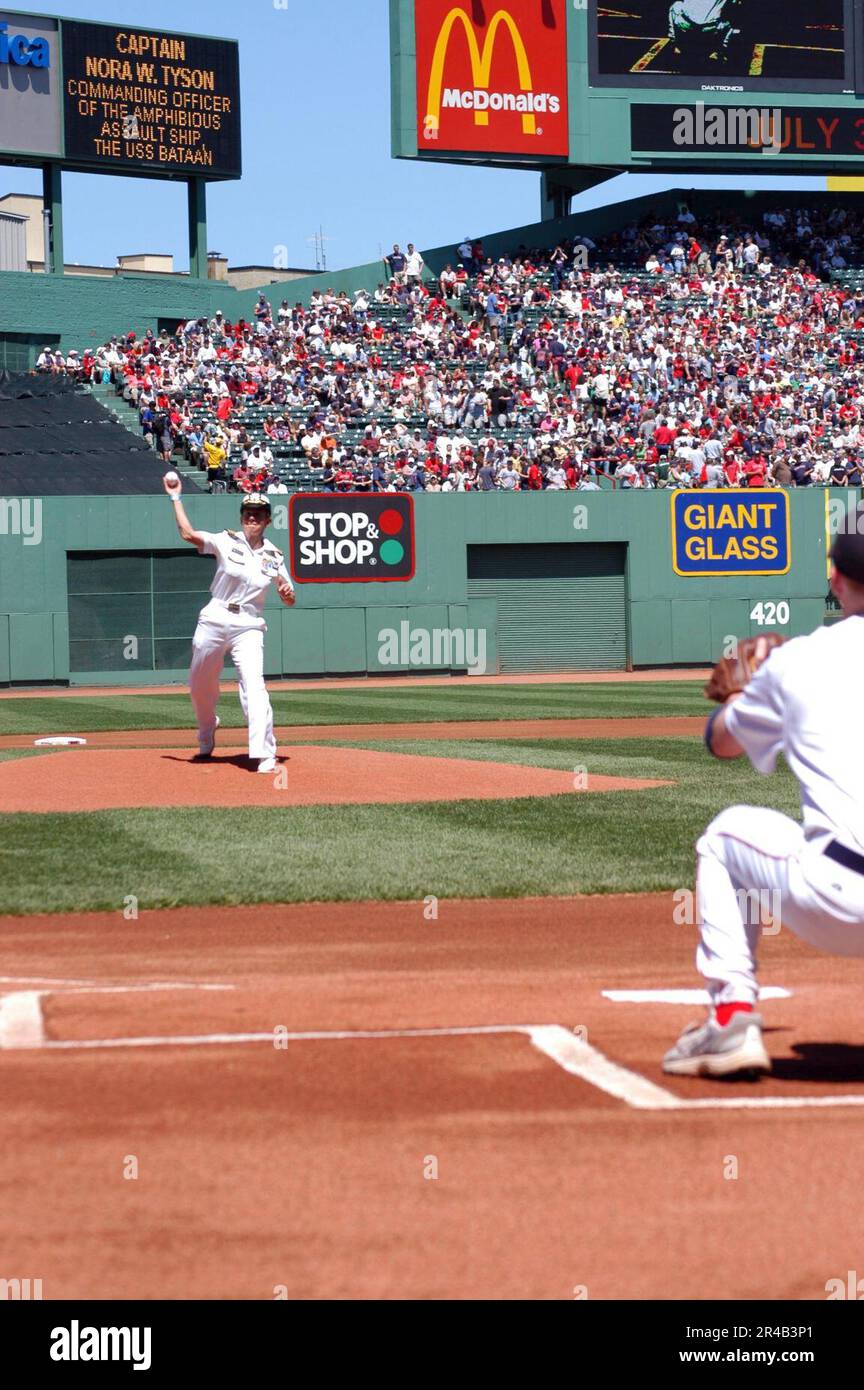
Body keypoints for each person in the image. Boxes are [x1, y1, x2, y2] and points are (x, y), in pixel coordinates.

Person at [663, 509, 864, 1078]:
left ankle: (730, 1018)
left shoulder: (799, 660)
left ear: (835, 579)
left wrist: (737, 698)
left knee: (724, 837)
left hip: (841, 898)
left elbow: (721, 745)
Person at [162, 478, 296, 774]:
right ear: (241, 516)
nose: (252, 517)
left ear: (267, 520)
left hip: (248, 624)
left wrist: (287, 594)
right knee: (199, 685)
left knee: (254, 686)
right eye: (247, 512)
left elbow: (289, 596)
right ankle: (208, 727)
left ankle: (264, 753)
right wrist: (175, 498)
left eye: (258, 513)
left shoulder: (274, 557)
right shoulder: (226, 540)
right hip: (215, 617)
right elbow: (187, 534)